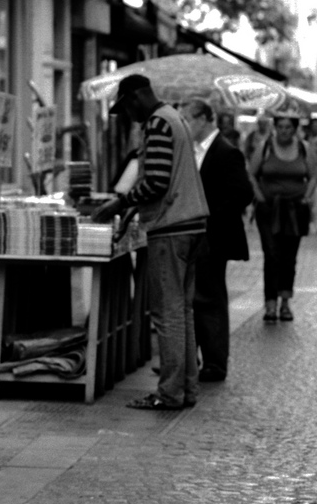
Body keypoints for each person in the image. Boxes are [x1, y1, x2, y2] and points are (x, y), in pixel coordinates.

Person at [93, 74, 210, 411]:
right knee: (182, 312)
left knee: (167, 314)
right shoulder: (176, 118)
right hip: (191, 225)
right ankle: (186, 389)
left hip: (171, 228)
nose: (128, 115)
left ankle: (170, 393)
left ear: (135, 98)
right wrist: (132, 212)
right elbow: (165, 178)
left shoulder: (158, 123)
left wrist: (120, 203)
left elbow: (156, 181)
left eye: (126, 108)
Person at [179, 99, 253, 382]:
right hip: (197, 236)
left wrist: (209, 215)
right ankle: (192, 359)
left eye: (187, 119)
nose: (184, 125)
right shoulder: (194, 150)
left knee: (210, 299)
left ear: (204, 119)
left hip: (214, 237)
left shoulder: (225, 151)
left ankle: (215, 363)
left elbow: (242, 193)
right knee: (196, 298)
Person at [247, 111, 317, 322]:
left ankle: (285, 302)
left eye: (288, 128)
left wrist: (306, 198)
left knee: (289, 257)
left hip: (295, 209)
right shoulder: (266, 147)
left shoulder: (304, 148)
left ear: (295, 129)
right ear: (275, 127)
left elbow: (313, 175)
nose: (284, 132)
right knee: (272, 254)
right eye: (280, 127)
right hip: (269, 209)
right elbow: (251, 173)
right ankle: (270, 304)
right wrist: (260, 197)